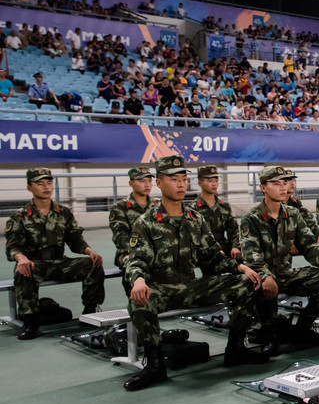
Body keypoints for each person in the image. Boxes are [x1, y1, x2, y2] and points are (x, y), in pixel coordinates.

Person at [123, 155, 266, 391]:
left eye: (183, 179)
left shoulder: (194, 218)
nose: (180, 184)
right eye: (173, 179)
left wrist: (241, 267)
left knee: (244, 282)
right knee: (140, 301)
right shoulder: (146, 221)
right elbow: (136, 260)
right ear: (159, 182)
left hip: (191, 286)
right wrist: (138, 280)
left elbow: (213, 255)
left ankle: (236, 349)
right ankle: (155, 365)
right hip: (163, 288)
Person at [241, 166, 319, 353]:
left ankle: (302, 329)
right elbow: (251, 256)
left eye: (285, 183)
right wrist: (265, 275)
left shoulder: (292, 215)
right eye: (276, 184)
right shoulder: (251, 218)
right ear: (263, 187)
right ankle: (268, 333)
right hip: (264, 276)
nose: (283, 188)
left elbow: (310, 246)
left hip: (286, 273)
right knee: (261, 286)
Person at [5, 168, 104, 339]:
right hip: (35, 264)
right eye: (40, 183)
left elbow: (74, 239)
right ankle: (30, 321)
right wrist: (20, 258)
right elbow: (12, 246)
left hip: (59, 262)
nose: (46, 187)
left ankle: (89, 312)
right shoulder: (19, 216)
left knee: (92, 264)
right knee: (22, 271)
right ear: (29, 187)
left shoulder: (63, 213)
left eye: (49, 183)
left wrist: (89, 251)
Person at [108, 166, 156, 294]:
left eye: (149, 181)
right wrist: (142, 249)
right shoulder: (120, 208)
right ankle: (135, 297)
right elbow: (120, 236)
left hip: (154, 250)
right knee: (133, 265)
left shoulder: (157, 206)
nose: (147, 185)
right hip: (129, 252)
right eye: (142, 181)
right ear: (131, 183)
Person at [192, 165, 240, 266]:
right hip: (205, 252)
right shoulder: (193, 209)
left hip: (225, 248)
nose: (214, 184)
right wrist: (213, 250)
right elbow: (195, 237)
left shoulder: (224, 206)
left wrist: (235, 247)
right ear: (200, 183)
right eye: (209, 181)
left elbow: (234, 230)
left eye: (216, 180)